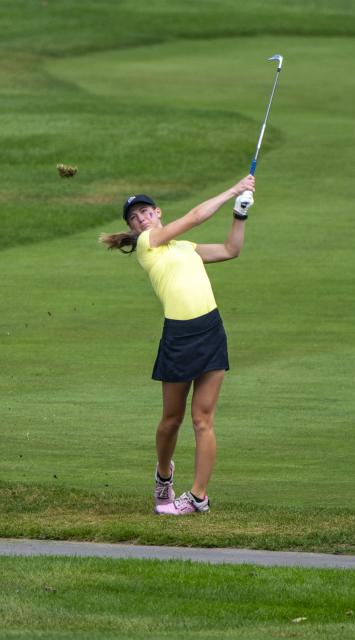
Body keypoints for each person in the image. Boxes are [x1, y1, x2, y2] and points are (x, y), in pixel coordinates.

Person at [100, 175, 255, 515]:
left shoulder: (187, 248)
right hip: (179, 336)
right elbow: (194, 217)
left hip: (211, 330)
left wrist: (239, 214)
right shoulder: (148, 245)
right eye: (134, 218)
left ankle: (198, 497)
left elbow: (232, 250)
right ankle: (163, 473)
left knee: (203, 419)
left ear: (157, 212)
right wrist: (232, 189)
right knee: (171, 420)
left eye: (144, 212)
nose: (140, 219)